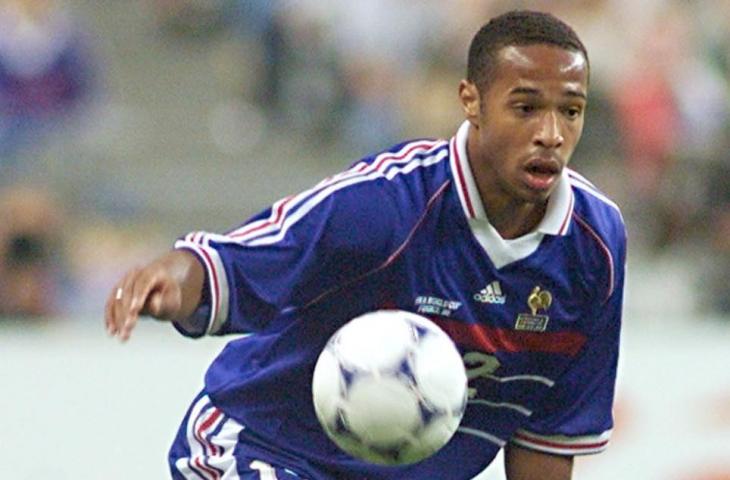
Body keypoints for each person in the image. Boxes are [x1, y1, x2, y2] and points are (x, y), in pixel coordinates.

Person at [105, 10, 626, 480]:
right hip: (262, 446)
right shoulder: (386, 203)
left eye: (571, 111)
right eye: (526, 107)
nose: (552, 134)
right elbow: (234, 262)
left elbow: (549, 437)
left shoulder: (595, 247)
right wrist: (170, 280)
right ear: (471, 100)